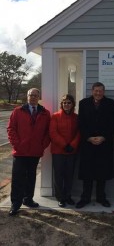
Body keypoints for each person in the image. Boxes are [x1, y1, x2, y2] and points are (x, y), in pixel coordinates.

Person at [7, 88, 51, 216]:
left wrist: (42, 145)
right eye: (31, 95)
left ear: (39, 97)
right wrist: (17, 145)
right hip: (20, 152)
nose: (33, 97)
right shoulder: (17, 111)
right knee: (18, 178)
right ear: (27, 97)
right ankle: (15, 203)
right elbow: (11, 129)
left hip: (35, 152)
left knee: (31, 176)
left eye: (35, 95)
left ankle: (28, 199)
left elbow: (48, 132)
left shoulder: (45, 113)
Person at [76, 82, 114, 209]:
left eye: (100, 91)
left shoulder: (111, 103)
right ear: (92, 91)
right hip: (88, 143)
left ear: (104, 92)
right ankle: (85, 198)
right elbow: (81, 123)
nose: (98, 93)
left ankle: (101, 198)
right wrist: (88, 137)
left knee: (102, 172)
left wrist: (103, 137)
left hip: (104, 143)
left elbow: (113, 123)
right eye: (96, 91)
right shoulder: (83, 103)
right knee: (87, 172)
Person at [49, 94, 80, 208]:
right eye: (64, 103)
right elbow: (53, 132)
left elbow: (79, 132)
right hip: (58, 151)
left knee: (69, 175)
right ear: (61, 104)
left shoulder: (76, 117)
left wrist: (72, 145)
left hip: (72, 151)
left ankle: (68, 196)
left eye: (69, 102)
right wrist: (63, 144)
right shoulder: (55, 116)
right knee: (59, 175)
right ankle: (60, 197)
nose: (67, 105)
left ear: (73, 104)